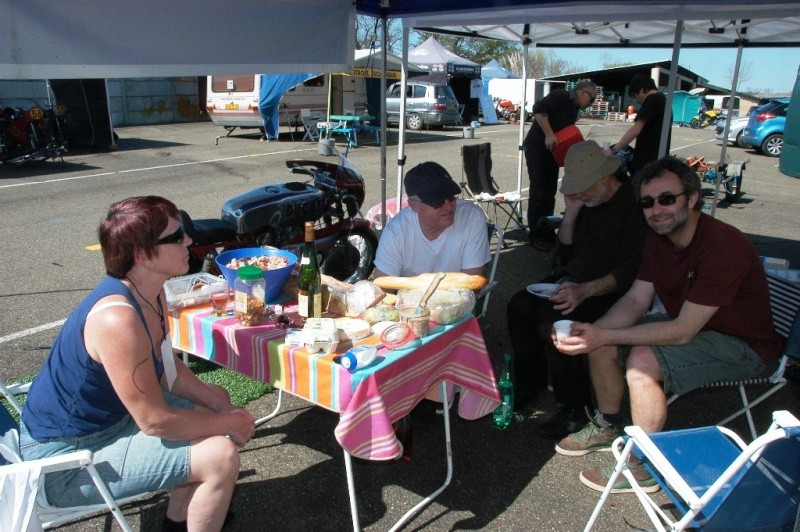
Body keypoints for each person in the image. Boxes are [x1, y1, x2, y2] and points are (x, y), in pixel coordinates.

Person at [20, 196, 256, 531]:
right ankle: (202, 497)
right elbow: (155, 421)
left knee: (215, 396)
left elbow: (168, 371)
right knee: (221, 456)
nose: (189, 240)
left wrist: (218, 404)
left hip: (106, 425)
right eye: (176, 237)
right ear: (143, 255)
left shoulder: (152, 290)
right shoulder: (118, 320)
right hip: (60, 462)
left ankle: (178, 520)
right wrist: (227, 423)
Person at [554, 156, 782, 493]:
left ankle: (645, 464)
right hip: (697, 326)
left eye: (667, 199)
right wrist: (595, 334)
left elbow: (682, 331)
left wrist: (604, 333)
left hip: (746, 346)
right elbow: (636, 299)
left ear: (691, 199)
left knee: (642, 360)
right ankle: (609, 425)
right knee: (599, 338)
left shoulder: (722, 246)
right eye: (647, 202)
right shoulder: (658, 239)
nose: (656, 209)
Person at [507, 141, 646, 437]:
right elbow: (566, 254)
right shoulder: (589, 201)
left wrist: (584, 290)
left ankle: (575, 405)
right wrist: (571, 212)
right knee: (519, 305)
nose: (578, 193)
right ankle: (529, 385)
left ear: (605, 178)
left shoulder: (634, 205)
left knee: (555, 321)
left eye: (583, 188)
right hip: (575, 281)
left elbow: (632, 269)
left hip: (614, 291)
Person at [373, 161, 490, 278]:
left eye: (451, 197)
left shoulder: (471, 217)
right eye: (437, 202)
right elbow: (382, 284)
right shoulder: (396, 231)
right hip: (410, 296)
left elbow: (473, 281)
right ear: (414, 205)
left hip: (459, 294)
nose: (448, 207)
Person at [523, 79, 597, 251]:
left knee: (549, 192)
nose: (591, 103)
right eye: (591, 98)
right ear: (582, 92)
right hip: (538, 148)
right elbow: (538, 109)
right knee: (539, 190)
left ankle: (546, 231)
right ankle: (535, 233)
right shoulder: (560, 95)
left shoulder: (574, 108)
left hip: (552, 153)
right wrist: (549, 134)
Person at [608, 74, 671, 180]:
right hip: (659, 161)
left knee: (637, 193)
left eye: (635, 95)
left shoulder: (652, 99)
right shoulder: (663, 100)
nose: (636, 100)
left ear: (642, 90)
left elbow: (635, 130)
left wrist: (614, 150)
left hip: (646, 164)